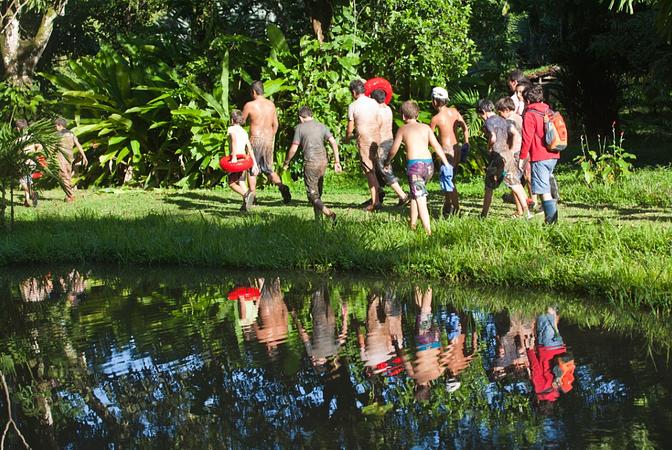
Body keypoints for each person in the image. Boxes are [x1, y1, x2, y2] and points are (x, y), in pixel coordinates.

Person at [385, 101, 451, 235]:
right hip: (429, 167)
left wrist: (387, 161)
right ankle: (413, 224)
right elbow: (437, 146)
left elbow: (394, 149)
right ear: (417, 114)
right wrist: (446, 163)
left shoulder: (403, 129)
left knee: (421, 199)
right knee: (415, 195)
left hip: (416, 167)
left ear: (403, 116)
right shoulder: (426, 128)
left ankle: (428, 232)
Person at [282, 106, 342, 221]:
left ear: (300, 117)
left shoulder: (299, 128)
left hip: (311, 163)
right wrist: (337, 161)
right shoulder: (322, 126)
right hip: (323, 162)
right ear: (311, 115)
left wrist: (286, 162)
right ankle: (317, 220)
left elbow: (294, 148)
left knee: (312, 195)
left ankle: (329, 214)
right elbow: (334, 143)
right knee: (317, 192)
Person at [477, 99, 531, 219]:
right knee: (515, 184)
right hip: (508, 155)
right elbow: (516, 133)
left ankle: (483, 215)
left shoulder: (489, 122)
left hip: (497, 156)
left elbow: (493, 137)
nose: (481, 118)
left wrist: (489, 147)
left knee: (489, 186)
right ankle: (527, 213)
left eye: (480, 115)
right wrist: (511, 150)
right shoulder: (503, 120)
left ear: (483, 111)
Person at [242, 80, 291, 204]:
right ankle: (282, 187)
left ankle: (253, 197)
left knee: (251, 169)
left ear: (253, 92)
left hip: (255, 139)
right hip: (268, 139)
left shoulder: (250, 105)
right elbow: (276, 124)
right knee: (268, 169)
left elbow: (241, 121)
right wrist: (270, 136)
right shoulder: (271, 105)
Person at [519, 85, 560, 224]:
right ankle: (550, 220)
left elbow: (527, 138)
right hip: (553, 154)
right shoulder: (548, 110)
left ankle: (551, 222)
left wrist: (522, 157)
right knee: (545, 187)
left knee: (544, 191)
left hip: (540, 156)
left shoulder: (530, 113)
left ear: (528, 101)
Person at [429, 87, 470, 217]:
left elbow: (429, 137)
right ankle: (448, 204)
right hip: (456, 148)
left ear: (435, 101)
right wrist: (466, 142)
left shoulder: (436, 118)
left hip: (446, 151)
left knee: (448, 180)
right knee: (450, 178)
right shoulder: (454, 112)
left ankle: (456, 208)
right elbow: (465, 127)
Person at [525, 307, 575, 402]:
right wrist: (530, 351)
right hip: (547, 348)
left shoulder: (558, 388)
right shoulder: (541, 389)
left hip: (560, 348)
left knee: (550, 318)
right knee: (544, 312)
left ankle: (555, 302)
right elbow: (536, 369)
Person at [345, 79, 382, 212]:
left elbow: (350, 127)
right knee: (374, 166)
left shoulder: (353, 106)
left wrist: (348, 138)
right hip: (376, 137)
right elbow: (378, 119)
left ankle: (375, 202)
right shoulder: (374, 102)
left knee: (368, 170)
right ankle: (378, 193)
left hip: (364, 138)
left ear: (354, 92)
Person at [370, 89, 409, 206]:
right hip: (389, 140)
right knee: (378, 170)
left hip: (381, 143)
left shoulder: (378, 112)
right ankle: (378, 194)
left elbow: (377, 128)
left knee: (385, 171)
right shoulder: (388, 109)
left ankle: (403, 196)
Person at [495, 97, 532, 217]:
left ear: (506, 110)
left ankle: (521, 210)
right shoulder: (519, 117)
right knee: (518, 181)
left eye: (500, 112)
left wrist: (510, 152)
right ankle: (522, 208)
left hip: (516, 153)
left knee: (513, 182)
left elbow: (516, 136)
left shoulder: (509, 121)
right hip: (525, 152)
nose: (500, 116)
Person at [227, 110, 259, 212]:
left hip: (236, 159)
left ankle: (247, 195)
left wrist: (234, 157)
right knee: (241, 181)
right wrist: (254, 164)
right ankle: (245, 207)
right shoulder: (244, 131)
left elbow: (234, 139)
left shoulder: (231, 128)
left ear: (232, 119)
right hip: (244, 159)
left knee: (231, 183)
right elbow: (249, 148)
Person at [55, 118, 88, 203]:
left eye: (56, 126)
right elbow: (78, 145)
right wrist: (84, 156)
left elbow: (52, 147)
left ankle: (71, 195)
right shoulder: (71, 134)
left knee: (62, 176)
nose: (55, 128)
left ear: (60, 125)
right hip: (70, 157)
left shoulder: (57, 134)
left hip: (61, 157)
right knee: (67, 176)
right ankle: (68, 196)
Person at [15, 119, 39, 207]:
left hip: (24, 163)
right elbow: (38, 147)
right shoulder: (31, 137)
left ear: (18, 128)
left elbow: (18, 152)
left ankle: (32, 194)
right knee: (28, 181)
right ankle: (26, 201)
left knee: (22, 180)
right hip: (32, 162)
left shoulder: (19, 140)